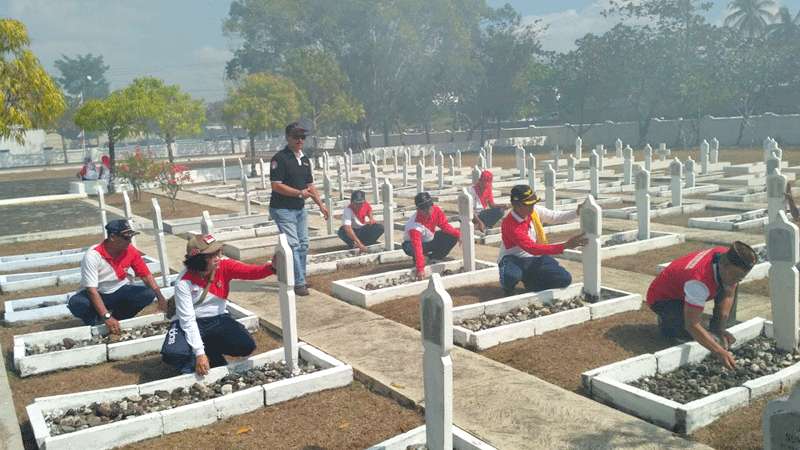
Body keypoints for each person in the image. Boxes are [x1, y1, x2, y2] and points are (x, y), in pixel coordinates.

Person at [163, 234, 276, 375]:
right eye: (212, 255)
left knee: (246, 345)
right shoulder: (183, 282)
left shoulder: (224, 266)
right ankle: (194, 359)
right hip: (189, 322)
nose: (218, 257)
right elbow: (188, 320)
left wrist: (272, 267)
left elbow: (251, 272)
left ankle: (210, 351)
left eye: (219, 252)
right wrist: (199, 353)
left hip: (217, 319)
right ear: (198, 259)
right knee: (173, 353)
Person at [646, 241, 757, 370]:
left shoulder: (725, 256)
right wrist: (719, 352)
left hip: (685, 288)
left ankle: (716, 328)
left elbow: (728, 294)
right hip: (664, 298)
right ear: (724, 265)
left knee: (714, 330)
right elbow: (692, 324)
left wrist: (720, 329)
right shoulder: (698, 281)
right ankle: (667, 323)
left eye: (740, 278)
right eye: (735, 276)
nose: (737, 280)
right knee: (689, 331)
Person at [67, 220, 168, 334]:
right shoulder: (93, 256)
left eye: (131, 237)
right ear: (112, 237)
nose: (129, 241)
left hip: (119, 290)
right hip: (98, 293)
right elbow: (92, 291)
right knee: (77, 303)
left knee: (147, 294)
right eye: (126, 238)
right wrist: (106, 316)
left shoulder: (130, 250)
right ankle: (94, 322)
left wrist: (161, 298)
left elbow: (146, 275)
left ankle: (119, 318)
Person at [269, 122, 329, 296]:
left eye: (303, 137)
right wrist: (298, 193)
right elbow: (276, 186)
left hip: (299, 209)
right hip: (282, 209)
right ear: (288, 137)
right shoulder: (280, 159)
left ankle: (296, 275)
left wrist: (321, 204)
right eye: (296, 137)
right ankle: (299, 282)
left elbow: (310, 185)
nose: (300, 140)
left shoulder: (304, 159)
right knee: (294, 244)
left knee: (303, 244)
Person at [498, 185, 586, 295]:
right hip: (513, 258)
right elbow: (532, 248)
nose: (532, 207)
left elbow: (554, 216)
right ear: (517, 205)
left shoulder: (534, 211)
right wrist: (565, 246)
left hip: (534, 258)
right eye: (529, 205)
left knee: (564, 279)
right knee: (510, 276)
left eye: (533, 204)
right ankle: (507, 287)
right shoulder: (510, 224)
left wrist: (576, 212)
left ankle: (531, 283)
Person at [402, 192, 461, 279]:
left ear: (432, 205)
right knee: (409, 247)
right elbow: (417, 246)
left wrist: (458, 234)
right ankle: (420, 259)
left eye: (429, 208)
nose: (428, 211)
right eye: (424, 209)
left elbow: (445, 226)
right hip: (414, 244)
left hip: (430, 239)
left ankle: (435, 257)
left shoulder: (436, 210)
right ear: (418, 209)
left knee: (452, 236)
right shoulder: (414, 225)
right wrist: (420, 268)